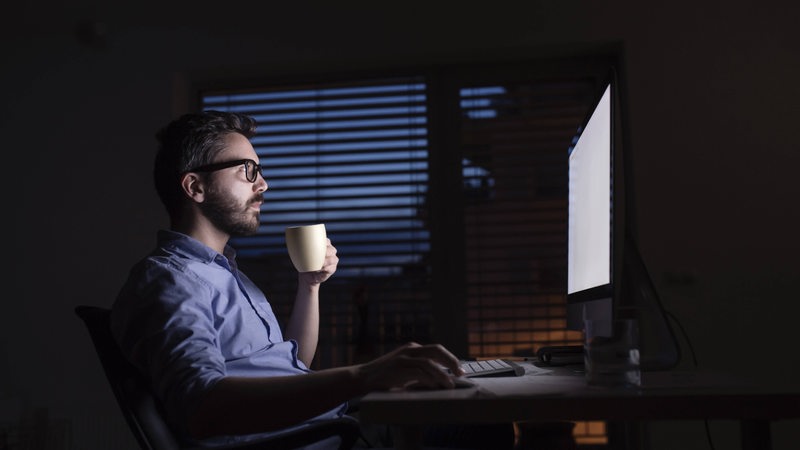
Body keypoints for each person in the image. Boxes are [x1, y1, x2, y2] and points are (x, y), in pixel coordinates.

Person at [111, 110, 503, 449]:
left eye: (260, 171)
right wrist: (364, 376)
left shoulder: (225, 274)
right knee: (480, 429)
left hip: (327, 428)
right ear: (195, 186)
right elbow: (202, 406)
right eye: (248, 170)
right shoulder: (170, 281)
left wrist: (309, 284)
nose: (263, 185)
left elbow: (293, 366)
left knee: (477, 418)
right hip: (309, 440)